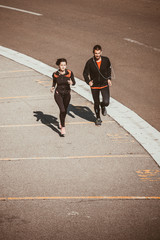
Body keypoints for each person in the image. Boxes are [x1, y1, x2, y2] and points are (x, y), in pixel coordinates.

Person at [83, 45, 112, 126]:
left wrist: (109, 79)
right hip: (95, 85)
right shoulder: (90, 62)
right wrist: (88, 81)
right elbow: (85, 73)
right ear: (93, 53)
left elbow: (109, 69)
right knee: (96, 102)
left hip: (104, 84)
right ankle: (98, 118)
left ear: (101, 52)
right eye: (96, 53)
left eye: (98, 53)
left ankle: (103, 106)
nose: (97, 55)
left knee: (106, 102)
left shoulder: (106, 60)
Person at [50, 58, 76, 136]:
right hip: (58, 93)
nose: (63, 67)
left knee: (64, 110)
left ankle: (61, 122)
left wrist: (72, 82)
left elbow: (74, 82)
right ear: (58, 66)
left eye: (64, 65)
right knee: (62, 109)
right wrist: (53, 87)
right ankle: (63, 127)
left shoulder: (70, 73)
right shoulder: (55, 74)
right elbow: (54, 81)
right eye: (61, 65)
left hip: (67, 94)